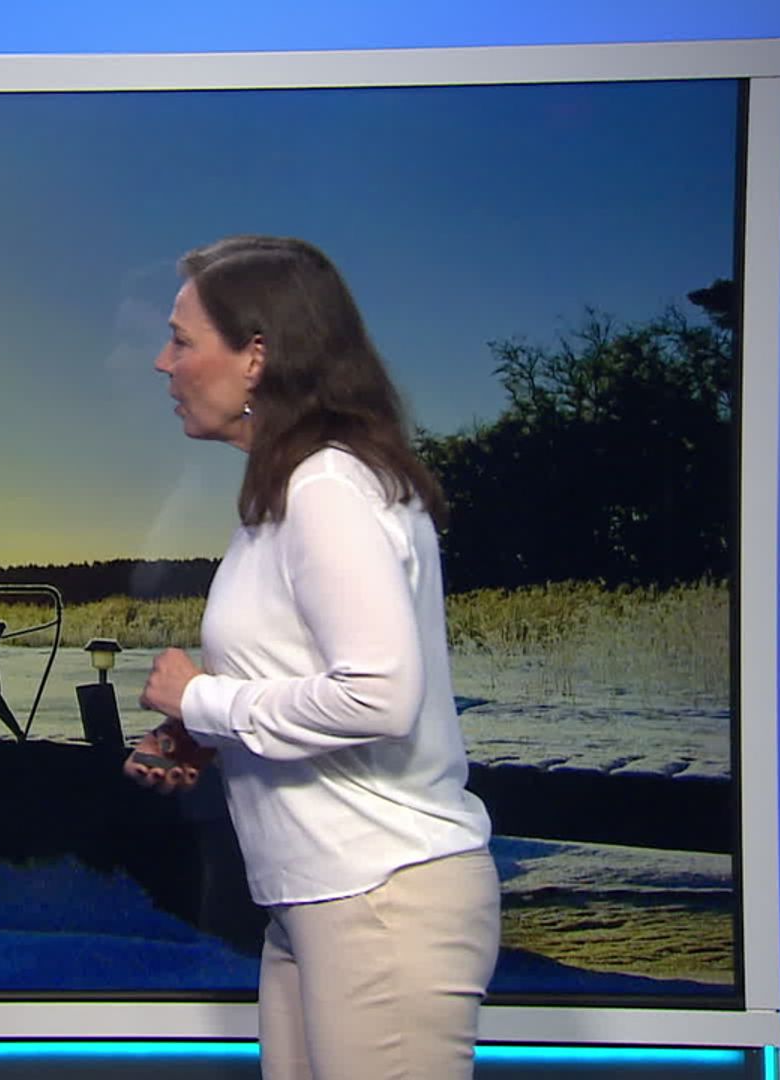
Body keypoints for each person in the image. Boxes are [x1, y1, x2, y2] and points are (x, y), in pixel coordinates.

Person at [124, 235, 499, 1080]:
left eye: (181, 340)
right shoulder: (285, 492)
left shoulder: (328, 485)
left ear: (257, 356)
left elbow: (379, 695)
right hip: (320, 901)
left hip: (381, 897)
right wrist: (206, 736)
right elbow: (308, 674)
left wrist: (203, 702)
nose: (162, 362)